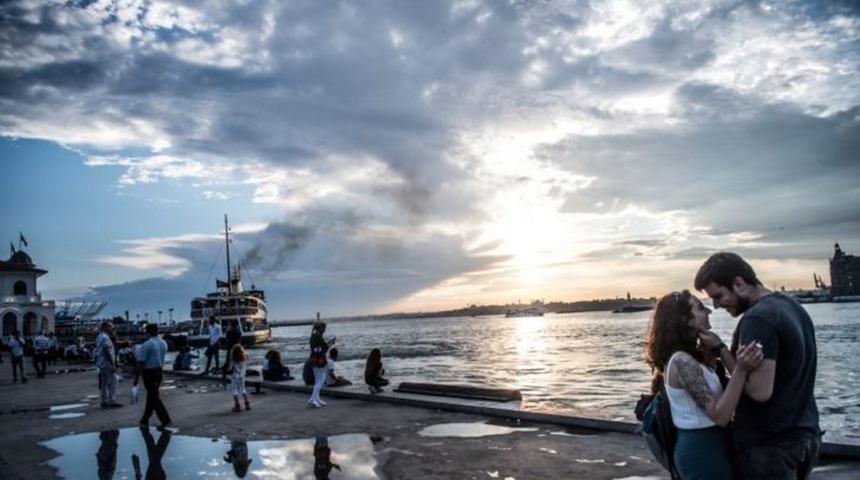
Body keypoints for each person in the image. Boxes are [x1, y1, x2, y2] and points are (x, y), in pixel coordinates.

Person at [694, 252, 822, 479]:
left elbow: (759, 391)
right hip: (805, 436)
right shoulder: (791, 307)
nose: (716, 305)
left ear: (739, 283)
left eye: (718, 295)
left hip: (769, 446)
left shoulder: (757, 319)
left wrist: (722, 350)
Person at [645, 290, 763, 479]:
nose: (709, 311)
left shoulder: (689, 359)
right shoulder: (682, 362)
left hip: (710, 446)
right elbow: (720, 416)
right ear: (686, 319)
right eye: (700, 308)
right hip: (701, 452)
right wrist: (741, 368)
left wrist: (719, 349)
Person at [134, 323, 172, 429]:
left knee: (154, 397)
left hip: (149, 372)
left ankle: (165, 419)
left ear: (147, 332)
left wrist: (136, 378)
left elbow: (141, 363)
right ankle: (144, 420)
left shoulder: (146, 345)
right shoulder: (163, 343)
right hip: (159, 371)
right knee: (151, 396)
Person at [95, 322, 122, 408]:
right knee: (114, 380)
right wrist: (112, 364)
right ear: (106, 327)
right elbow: (107, 350)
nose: (112, 328)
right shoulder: (105, 337)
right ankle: (112, 400)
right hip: (107, 362)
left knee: (104, 382)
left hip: (101, 362)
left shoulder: (99, 336)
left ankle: (104, 400)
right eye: (111, 327)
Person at [308, 322, 335, 408]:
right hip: (319, 360)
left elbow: (319, 347)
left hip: (314, 359)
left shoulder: (313, 336)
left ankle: (316, 398)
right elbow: (322, 349)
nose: (325, 330)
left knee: (317, 380)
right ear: (320, 328)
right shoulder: (317, 337)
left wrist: (327, 344)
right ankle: (312, 400)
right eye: (324, 328)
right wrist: (331, 343)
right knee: (321, 380)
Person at [230, 344, 251, 412]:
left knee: (234, 391)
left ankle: (237, 405)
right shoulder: (244, 358)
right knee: (243, 390)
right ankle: (247, 404)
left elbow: (229, 368)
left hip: (235, 376)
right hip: (242, 376)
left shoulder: (233, 359)